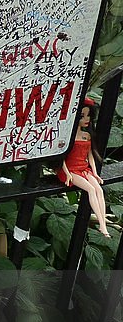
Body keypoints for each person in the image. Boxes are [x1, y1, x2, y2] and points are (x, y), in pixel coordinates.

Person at [59, 97, 110, 238]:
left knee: (99, 190)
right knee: (91, 189)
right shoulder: (67, 137)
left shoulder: (87, 135)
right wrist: (67, 173)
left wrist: (95, 173)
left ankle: (103, 224)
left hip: (84, 168)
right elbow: (61, 157)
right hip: (71, 170)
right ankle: (102, 225)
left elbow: (90, 156)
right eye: (82, 116)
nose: (86, 119)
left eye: (88, 116)